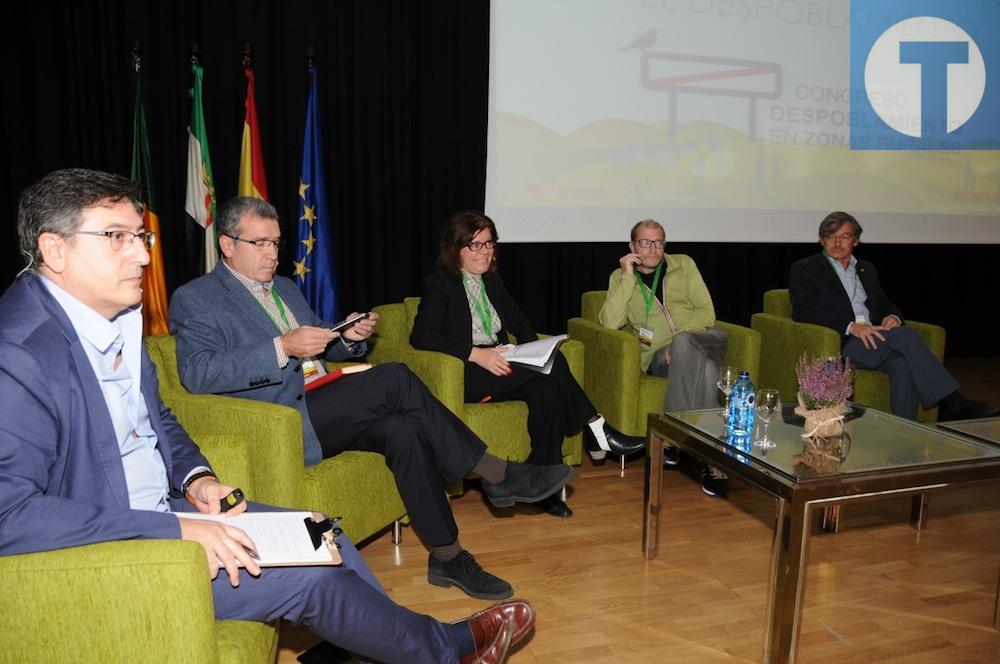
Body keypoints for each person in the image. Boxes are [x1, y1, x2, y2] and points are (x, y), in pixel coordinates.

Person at [0, 168, 536, 664]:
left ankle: (375, 643)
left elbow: (157, 419)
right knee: (313, 573)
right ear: (54, 248)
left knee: (322, 534)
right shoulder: (20, 353)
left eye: (141, 237)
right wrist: (175, 528)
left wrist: (197, 478)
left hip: (172, 500)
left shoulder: (117, 316)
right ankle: (445, 648)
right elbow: (11, 516)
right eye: (116, 237)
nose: (141, 256)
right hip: (120, 546)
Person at [171, 197, 573, 602]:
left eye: (276, 244)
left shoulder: (286, 289)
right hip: (285, 417)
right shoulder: (198, 298)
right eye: (260, 244)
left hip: (324, 398)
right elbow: (199, 373)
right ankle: (494, 472)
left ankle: (448, 556)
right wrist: (281, 348)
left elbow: (320, 344)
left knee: (404, 429)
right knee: (395, 377)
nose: (273, 254)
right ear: (226, 244)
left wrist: (346, 336)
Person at [409, 211, 644, 518]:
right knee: (553, 365)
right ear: (456, 249)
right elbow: (421, 336)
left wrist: (533, 351)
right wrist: (476, 354)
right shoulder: (439, 283)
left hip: (502, 362)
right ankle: (597, 428)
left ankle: (541, 489)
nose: (485, 252)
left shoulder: (492, 281)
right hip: (467, 371)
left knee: (546, 390)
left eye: (489, 243)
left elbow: (520, 323)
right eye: (475, 245)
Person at [789, 211, 998, 422]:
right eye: (830, 236)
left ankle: (905, 430)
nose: (837, 242)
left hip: (875, 338)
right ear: (821, 239)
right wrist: (851, 326)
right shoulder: (806, 269)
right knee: (906, 337)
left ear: (856, 240)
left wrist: (893, 316)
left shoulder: (865, 269)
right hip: (843, 341)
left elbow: (885, 304)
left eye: (844, 236)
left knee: (902, 364)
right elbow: (803, 311)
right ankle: (956, 403)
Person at [597, 219, 730, 497]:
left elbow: (707, 313)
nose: (654, 249)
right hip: (657, 358)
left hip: (704, 339)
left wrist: (681, 339)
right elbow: (609, 323)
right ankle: (712, 458)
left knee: (686, 344)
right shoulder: (619, 278)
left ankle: (671, 437)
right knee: (707, 371)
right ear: (632, 246)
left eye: (659, 242)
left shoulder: (684, 264)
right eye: (645, 242)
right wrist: (628, 278)